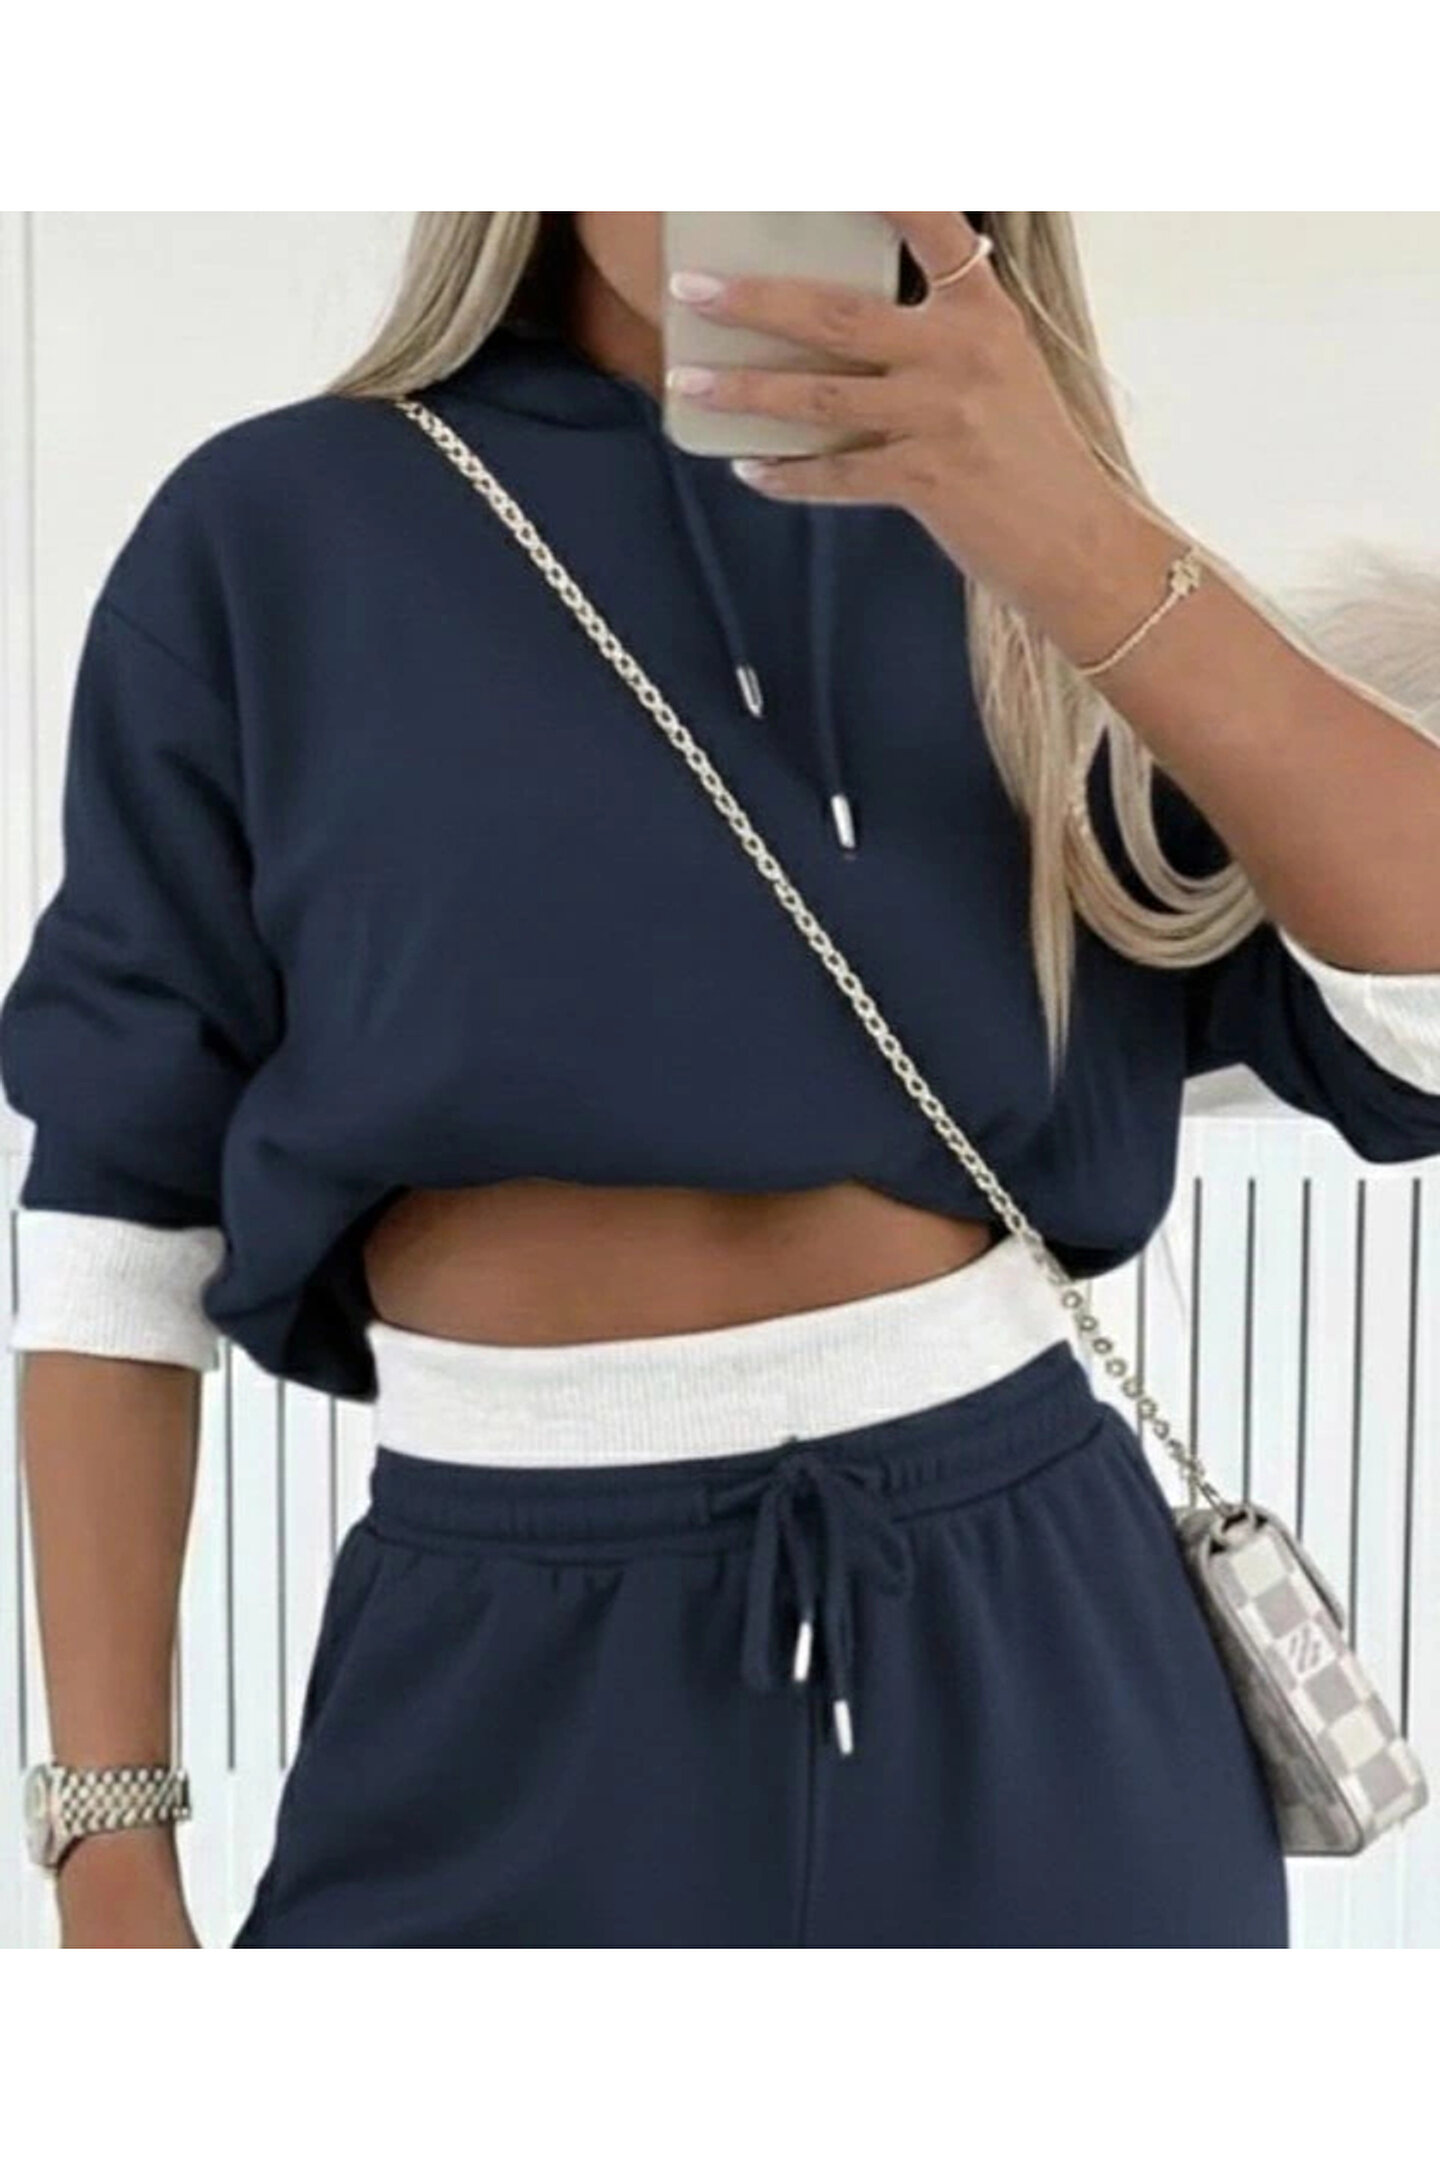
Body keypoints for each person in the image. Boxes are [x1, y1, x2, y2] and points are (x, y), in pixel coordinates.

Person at [4, 211, 1440, 1949]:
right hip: (495, 1655)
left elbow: (1415, 1029)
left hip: (1033, 1631)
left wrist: (1077, 539)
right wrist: (111, 1846)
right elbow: (119, 1216)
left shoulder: (1035, 548)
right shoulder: (275, 532)